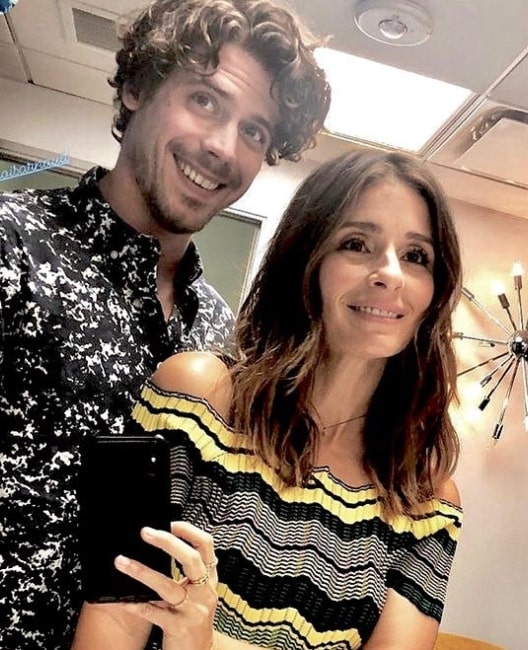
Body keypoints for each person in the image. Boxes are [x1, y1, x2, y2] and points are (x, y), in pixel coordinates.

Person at [0, 0, 330, 647]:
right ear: (138, 85)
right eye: (205, 101)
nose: (223, 147)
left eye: (255, 131)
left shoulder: (220, 337)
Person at [72, 150, 464, 650]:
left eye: (416, 256)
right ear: (308, 259)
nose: (390, 273)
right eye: (356, 244)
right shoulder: (190, 393)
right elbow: (108, 627)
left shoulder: (426, 497)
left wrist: (204, 643)